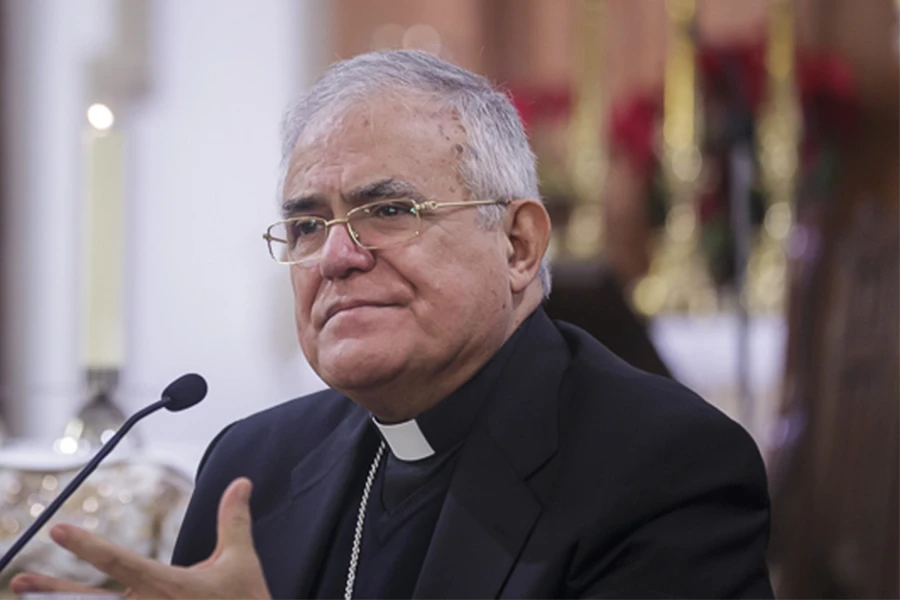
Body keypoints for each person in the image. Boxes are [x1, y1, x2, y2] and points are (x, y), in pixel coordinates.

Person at [10, 50, 773, 599]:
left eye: (389, 210)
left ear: (517, 245)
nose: (336, 257)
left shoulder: (664, 470)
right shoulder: (254, 468)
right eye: (307, 226)